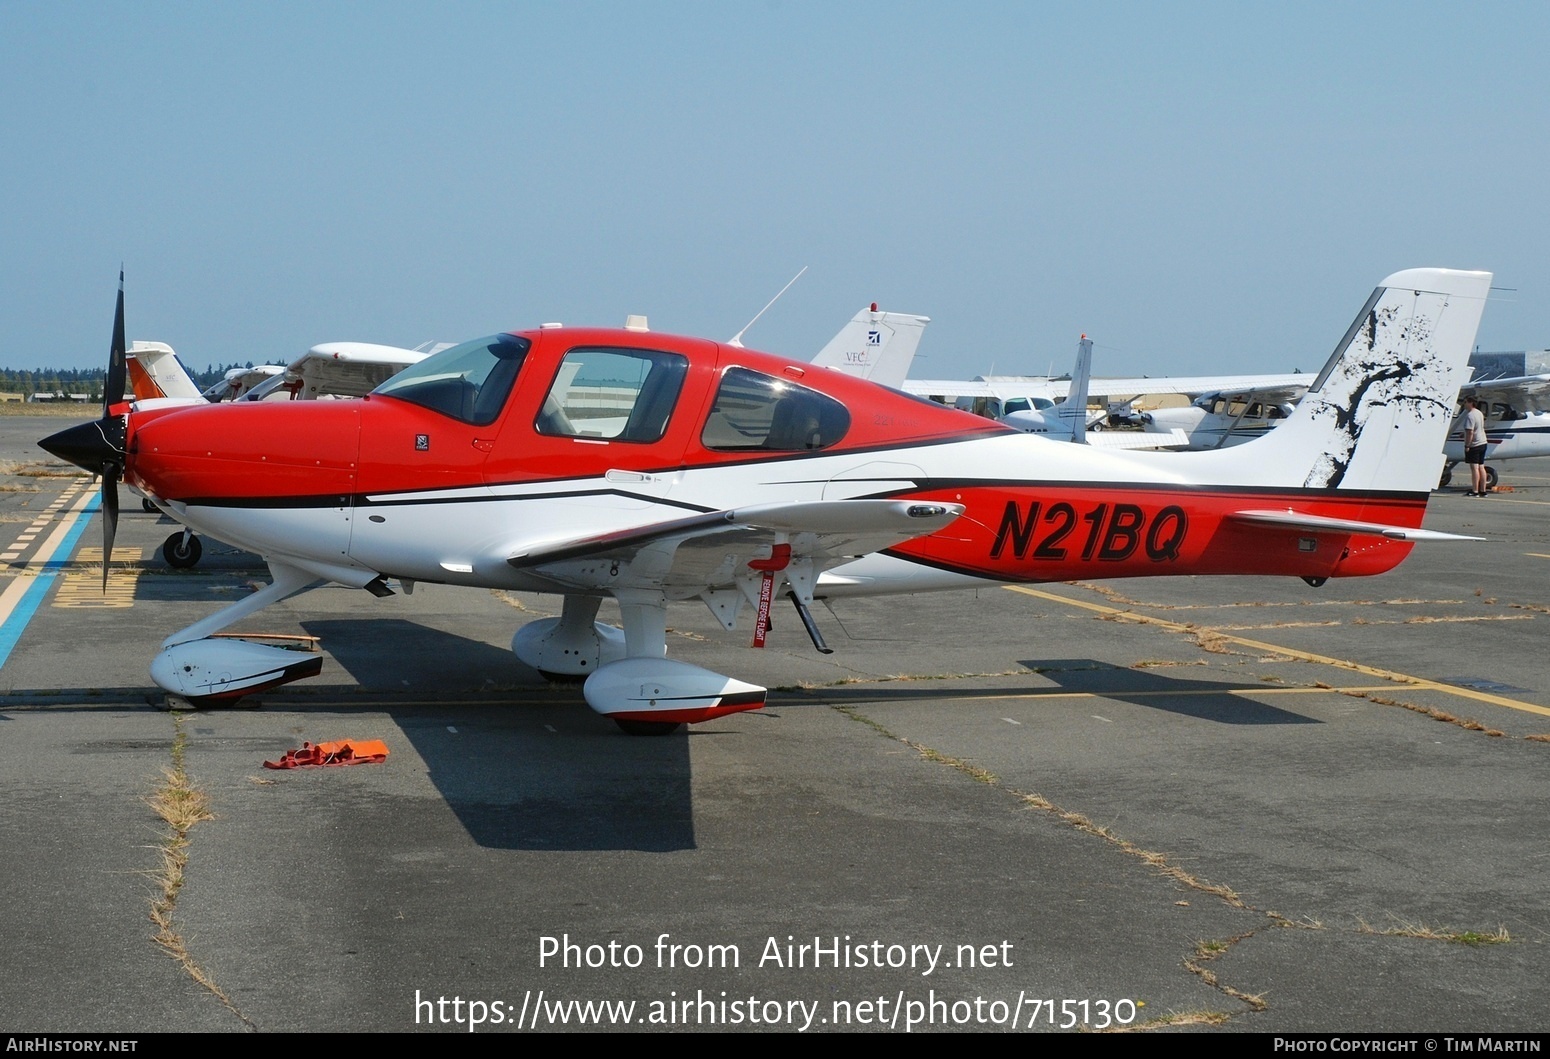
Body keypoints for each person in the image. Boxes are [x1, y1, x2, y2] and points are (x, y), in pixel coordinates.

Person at [1461, 396, 1489, 496]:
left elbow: (1470, 432)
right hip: (1483, 442)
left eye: (1465, 402)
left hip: (1475, 444)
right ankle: (1483, 490)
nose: (1464, 404)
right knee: (1481, 466)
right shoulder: (1479, 413)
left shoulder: (1470, 415)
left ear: (1470, 403)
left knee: (1474, 468)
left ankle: (1475, 490)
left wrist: (1467, 445)